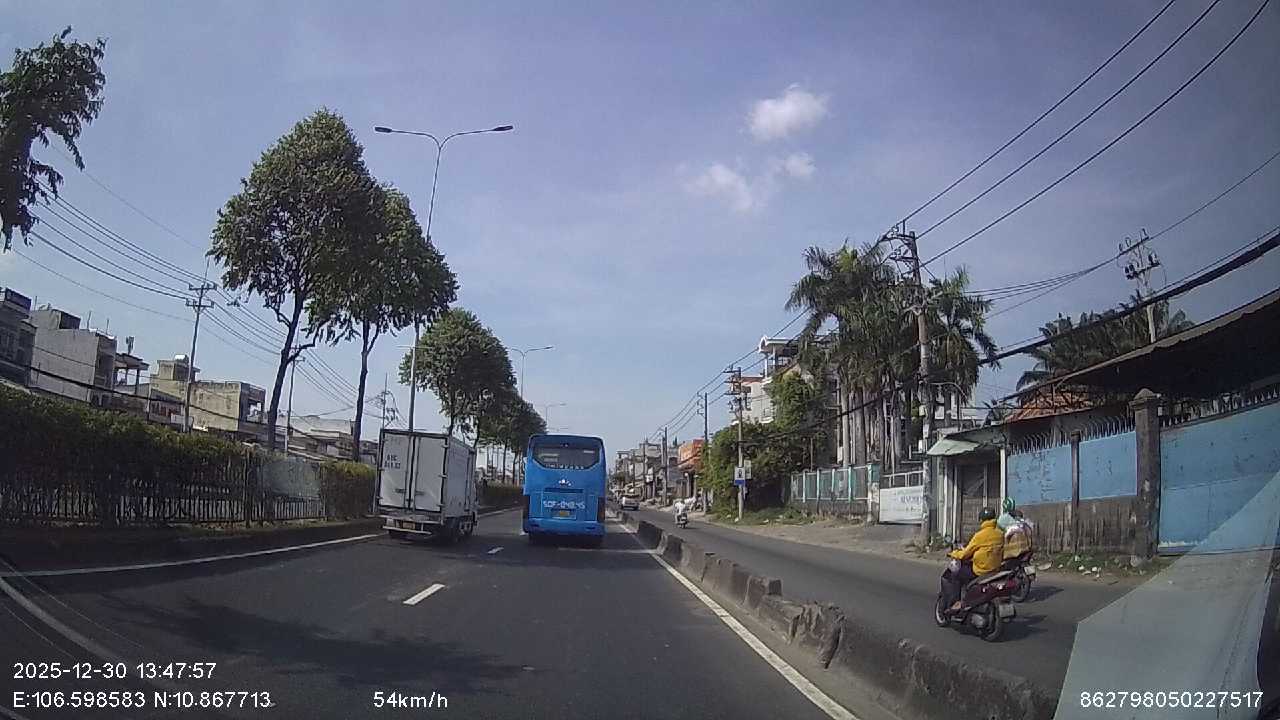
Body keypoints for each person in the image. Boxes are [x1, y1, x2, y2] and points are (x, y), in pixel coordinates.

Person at [944, 506, 1004, 611]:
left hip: (980, 570)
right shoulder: (1000, 534)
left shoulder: (979, 535)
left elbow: (964, 554)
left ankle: (956, 603)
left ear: (981, 520)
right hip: (995, 569)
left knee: (955, 574)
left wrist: (953, 553)